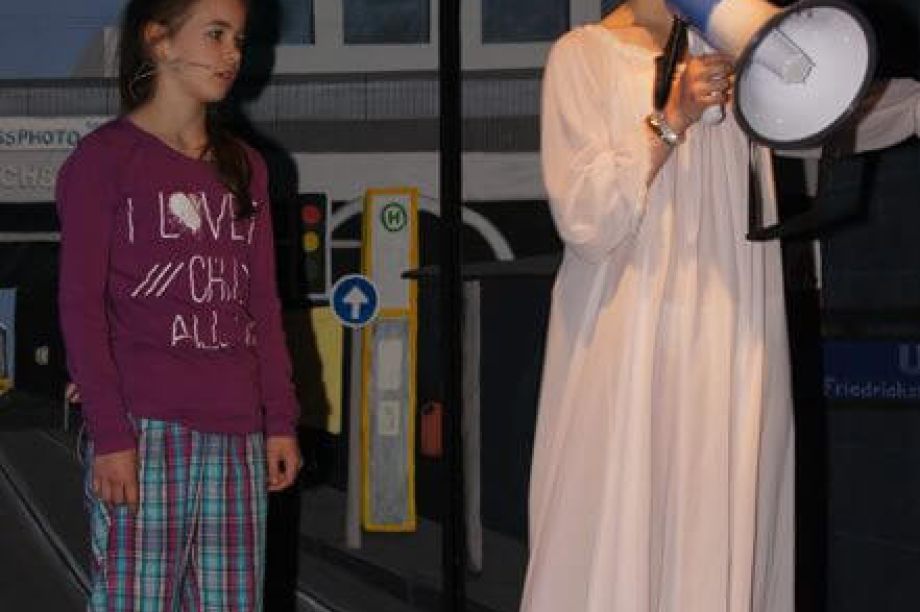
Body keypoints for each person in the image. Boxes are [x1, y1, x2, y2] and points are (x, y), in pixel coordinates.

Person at [522, 1, 920, 610]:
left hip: (731, 324)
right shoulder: (584, 56)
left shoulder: (744, 50)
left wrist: (912, 107)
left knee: (723, 496)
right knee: (627, 503)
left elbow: (831, 114)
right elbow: (584, 218)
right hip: (631, 332)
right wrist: (672, 118)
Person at [56, 0, 301, 609]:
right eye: (215, 34)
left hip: (237, 433)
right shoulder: (104, 161)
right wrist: (111, 435)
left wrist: (280, 420)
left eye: (238, 38)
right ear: (159, 41)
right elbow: (81, 305)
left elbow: (262, 306)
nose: (233, 53)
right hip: (144, 430)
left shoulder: (245, 167)